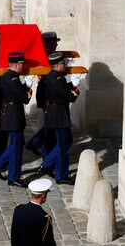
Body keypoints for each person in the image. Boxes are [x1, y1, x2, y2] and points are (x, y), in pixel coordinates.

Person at [0, 52, 34, 188]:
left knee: (18, 143)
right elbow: (25, 98)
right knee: (17, 143)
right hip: (13, 114)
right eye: (22, 64)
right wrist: (29, 87)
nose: (23, 66)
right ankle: (12, 176)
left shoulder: (9, 77)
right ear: (17, 65)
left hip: (13, 113)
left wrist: (25, 86)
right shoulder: (12, 80)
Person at [36, 52, 80, 185]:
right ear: (58, 65)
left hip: (55, 114)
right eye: (63, 64)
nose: (65, 66)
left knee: (66, 142)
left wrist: (72, 83)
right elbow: (71, 97)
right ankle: (59, 174)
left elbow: (63, 90)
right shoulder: (58, 79)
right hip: (59, 115)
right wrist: (76, 87)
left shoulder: (52, 76)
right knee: (63, 146)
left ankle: (48, 165)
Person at [25, 31, 60, 157]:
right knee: (50, 123)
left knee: (50, 123)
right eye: (55, 43)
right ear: (50, 43)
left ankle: (35, 143)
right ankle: (39, 146)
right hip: (46, 92)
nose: (56, 45)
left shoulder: (49, 53)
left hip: (46, 90)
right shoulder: (46, 55)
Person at [11, 178, 56, 246]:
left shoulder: (18, 209)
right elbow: (48, 242)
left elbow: (14, 236)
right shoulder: (44, 218)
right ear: (43, 196)